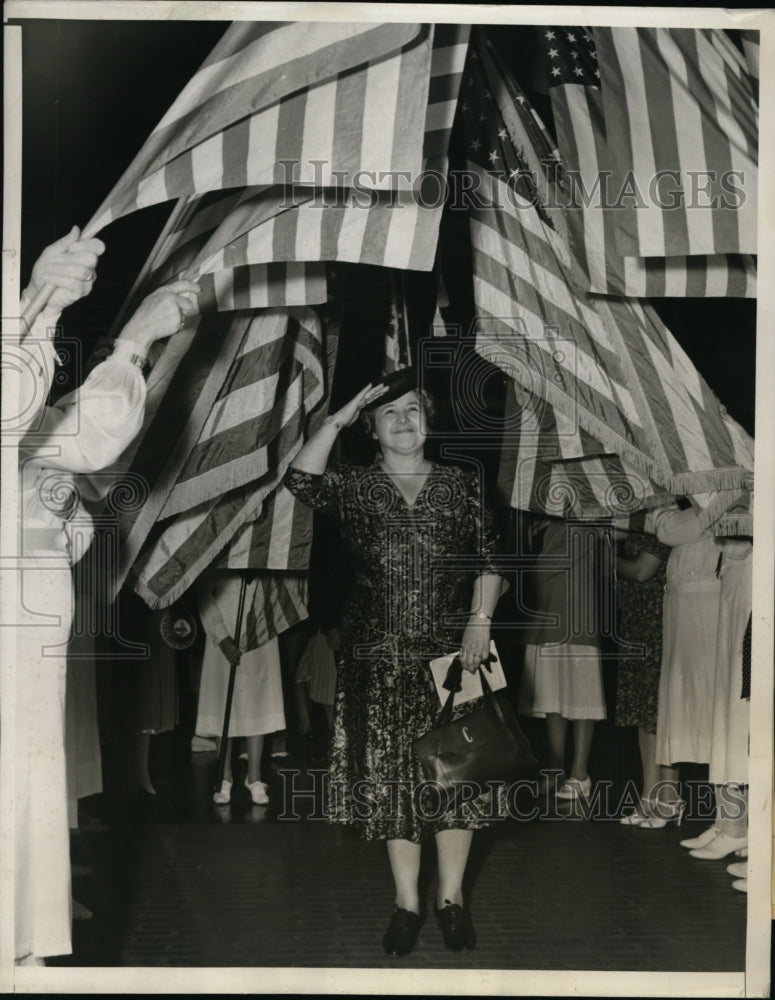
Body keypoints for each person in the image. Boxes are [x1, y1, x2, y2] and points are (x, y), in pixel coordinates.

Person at [10, 227, 200, 965]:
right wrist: (43, 299)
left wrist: (134, 345)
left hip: (29, 637)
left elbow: (84, 441)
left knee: (24, 820)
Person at [284, 369, 506, 957]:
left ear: (428, 421)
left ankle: (452, 899)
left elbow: (489, 560)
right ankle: (407, 903)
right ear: (372, 430)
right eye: (390, 413)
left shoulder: (461, 486)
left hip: (454, 658)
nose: (404, 420)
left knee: (459, 777)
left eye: (413, 409)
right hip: (377, 659)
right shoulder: (354, 487)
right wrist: (340, 411)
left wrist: (479, 620)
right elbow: (299, 479)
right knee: (394, 784)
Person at [517, 516, 607, 801]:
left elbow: (547, 566)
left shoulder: (581, 521)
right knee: (552, 698)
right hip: (547, 619)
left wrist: (508, 573)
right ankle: (555, 771)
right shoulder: (542, 524)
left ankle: (580, 774)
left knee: (583, 699)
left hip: (576, 619)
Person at [682, 536, 752, 868]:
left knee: (739, 712)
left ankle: (738, 826)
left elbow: (738, 545)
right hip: (736, 588)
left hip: (750, 589)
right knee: (727, 710)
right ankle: (729, 821)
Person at [651, 505, 721, 831]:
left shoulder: (723, 496)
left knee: (711, 705)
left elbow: (669, 530)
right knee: (678, 700)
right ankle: (669, 799)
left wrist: (659, 516)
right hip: (681, 606)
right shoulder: (697, 505)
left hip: (706, 609)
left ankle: (728, 819)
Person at [194, 570, 286, 806]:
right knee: (223, 700)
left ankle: (254, 778)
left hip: (260, 631)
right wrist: (222, 637)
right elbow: (204, 594)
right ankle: (224, 778)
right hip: (222, 634)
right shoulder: (218, 550)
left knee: (258, 700)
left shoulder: (266, 550)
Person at [613, 515, 681, 827]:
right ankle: (648, 794)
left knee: (658, 708)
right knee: (643, 710)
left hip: (658, 617)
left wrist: (607, 559)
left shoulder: (668, 518)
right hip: (637, 619)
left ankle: (669, 796)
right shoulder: (642, 515)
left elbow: (642, 570)